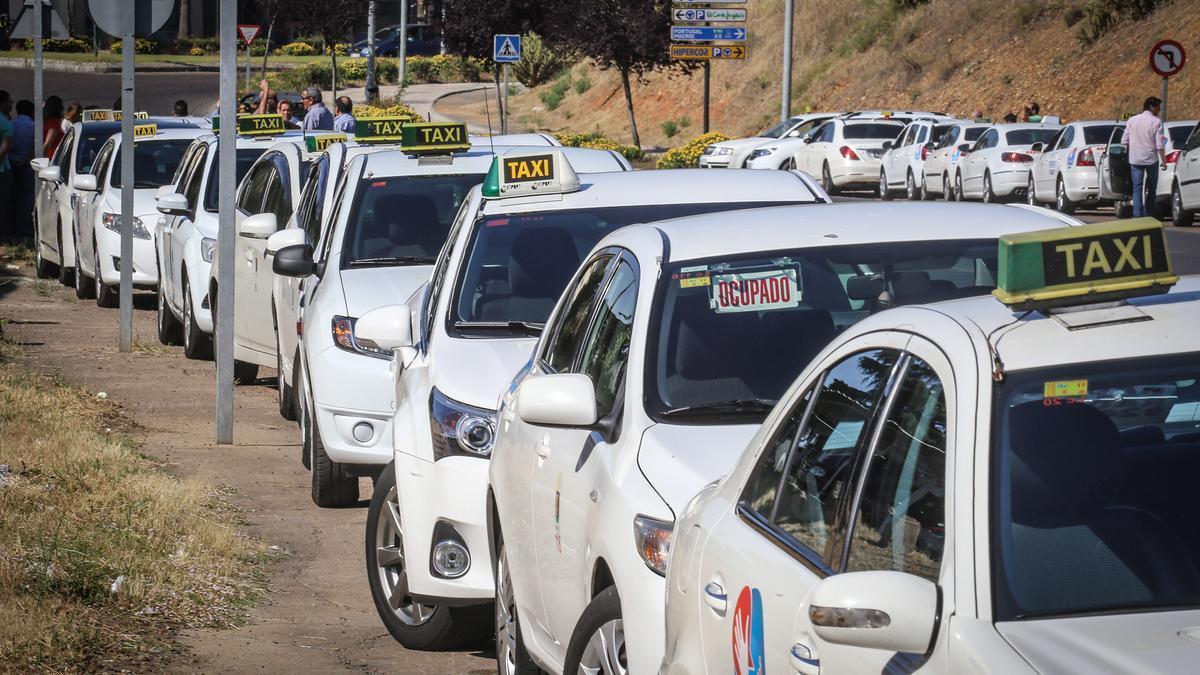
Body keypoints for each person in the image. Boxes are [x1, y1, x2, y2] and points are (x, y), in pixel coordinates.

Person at [1121, 96, 1167, 219]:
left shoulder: (1132, 120)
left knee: (1137, 187)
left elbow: (1124, 140)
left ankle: (1137, 214)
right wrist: (1164, 161)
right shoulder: (1156, 122)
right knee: (1151, 187)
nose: (1159, 110)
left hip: (1135, 159)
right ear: (1152, 107)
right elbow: (1159, 144)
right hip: (1151, 159)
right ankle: (1149, 213)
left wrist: (1133, 149)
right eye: (1158, 107)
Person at [10, 99, 35, 239]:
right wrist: (24, 160)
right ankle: (24, 230)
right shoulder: (32, 126)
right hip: (25, 166)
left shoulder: (11, 124)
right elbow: (34, 147)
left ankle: (13, 228)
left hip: (10, 165)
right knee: (26, 200)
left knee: (12, 198)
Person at [0, 91, 14, 239]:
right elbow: (4, 149)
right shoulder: (5, 123)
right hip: (2, 171)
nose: (11, 105)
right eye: (9, 102)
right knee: (3, 205)